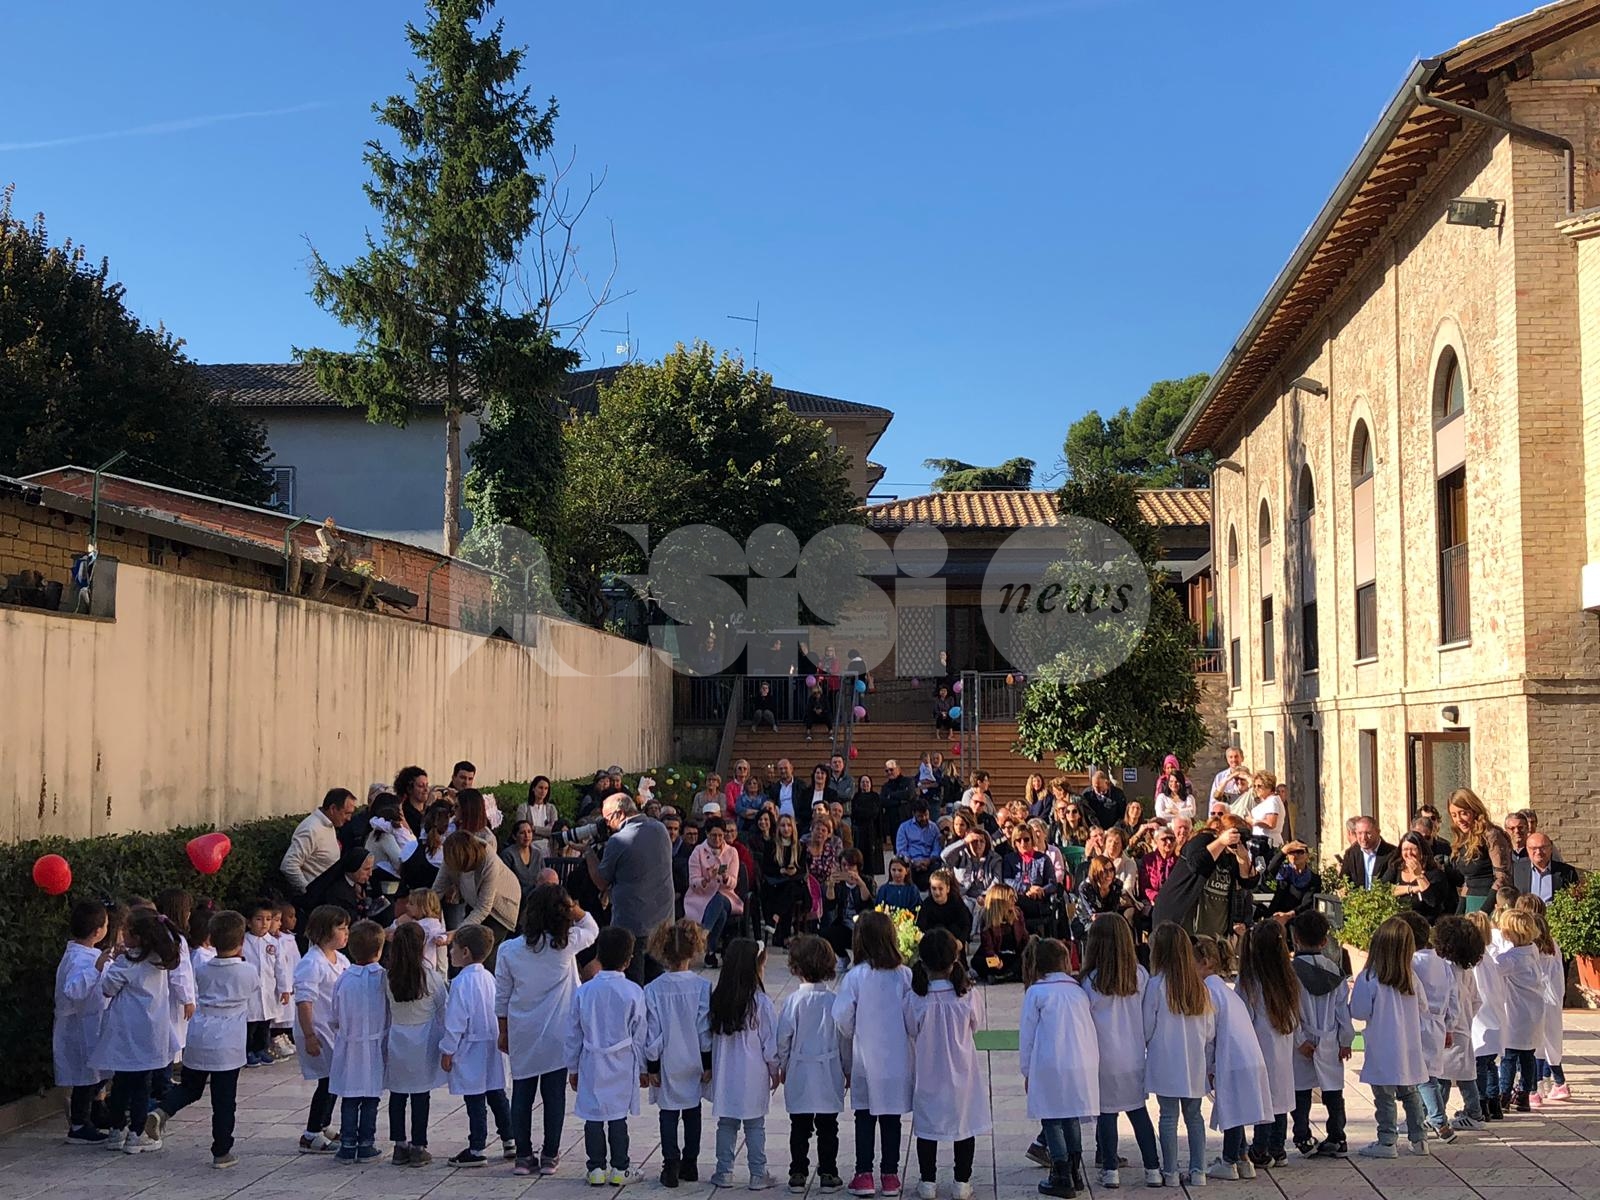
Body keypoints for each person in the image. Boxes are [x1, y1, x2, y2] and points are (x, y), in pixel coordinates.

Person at [496, 883, 599, 1176]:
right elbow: (592, 928)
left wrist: (503, 1031)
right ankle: (550, 1155)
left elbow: (502, 996)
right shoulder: (566, 945)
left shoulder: (509, 950)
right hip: (558, 1032)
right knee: (554, 1095)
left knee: (522, 1093)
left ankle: (523, 1156)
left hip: (522, 1030)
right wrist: (572, 906)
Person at [148, 909, 251, 1168]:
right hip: (227, 1043)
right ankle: (222, 1151)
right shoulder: (247, 971)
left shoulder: (203, 968)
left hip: (200, 1034)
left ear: (212, 940)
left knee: (190, 1088)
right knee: (223, 1100)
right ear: (241, 942)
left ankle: (162, 1110)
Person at [903, 929, 988, 1200]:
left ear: (922, 961)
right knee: (964, 1125)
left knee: (927, 1127)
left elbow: (910, 1028)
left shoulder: (916, 998)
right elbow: (977, 1024)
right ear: (955, 959)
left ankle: (927, 1181)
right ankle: (962, 1181)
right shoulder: (967, 995)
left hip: (929, 1071)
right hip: (962, 1070)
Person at [834, 913, 913, 1198]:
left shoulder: (855, 976)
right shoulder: (904, 975)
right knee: (892, 1118)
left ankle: (863, 1174)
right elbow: (912, 1017)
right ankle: (890, 1176)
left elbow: (842, 1018)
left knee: (864, 1117)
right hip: (897, 1060)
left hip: (866, 1060)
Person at [1080, 916, 1161, 1188]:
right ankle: (1153, 1169)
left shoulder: (1089, 981)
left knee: (1106, 1115)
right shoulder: (1140, 975)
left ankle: (1110, 1169)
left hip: (1103, 1058)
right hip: (1134, 1056)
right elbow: (1147, 1018)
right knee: (1139, 1113)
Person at [94, 908, 182, 1154]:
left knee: (122, 1082)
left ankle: (117, 1130)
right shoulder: (160, 960)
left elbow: (108, 989)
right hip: (151, 1032)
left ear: (137, 936)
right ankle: (137, 1133)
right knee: (142, 1084)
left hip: (125, 1030)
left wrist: (109, 964)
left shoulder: (126, 963)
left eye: (126, 931)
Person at [1142, 923, 1215, 1188]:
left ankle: (1171, 1171)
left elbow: (1146, 1027)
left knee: (1168, 1117)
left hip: (1165, 1061)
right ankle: (1199, 1171)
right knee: (1194, 1116)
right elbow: (1209, 1030)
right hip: (1194, 1061)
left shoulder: (1156, 985)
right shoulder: (1200, 987)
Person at [1193, 935, 1271, 1181]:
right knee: (1237, 1108)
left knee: (1233, 1110)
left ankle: (1228, 1161)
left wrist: (1207, 1066)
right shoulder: (1225, 991)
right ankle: (1243, 1159)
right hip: (1247, 1056)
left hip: (1232, 1059)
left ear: (1205, 962)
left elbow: (1208, 1033)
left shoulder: (1208, 991)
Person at [1349, 916, 1429, 1158]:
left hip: (1382, 1047)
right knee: (1410, 1093)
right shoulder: (1411, 978)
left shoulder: (1369, 977)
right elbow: (1424, 1008)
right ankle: (1420, 1139)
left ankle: (1387, 1141)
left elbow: (1359, 1011)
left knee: (1384, 1097)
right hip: (1408, 1047)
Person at [641, 920, 713, 1188]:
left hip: (667, 1060)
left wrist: (652, 1066)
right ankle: (690, 1163)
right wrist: (708, 1063)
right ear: (694, 950)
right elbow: (704, 1029)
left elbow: (653, 1033)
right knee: (693, 1112)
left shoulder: (653, 989)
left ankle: (670, 1164)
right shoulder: (702, 987)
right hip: (694, 1059)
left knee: (668, 1114)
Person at [708, 938, 780, 1191]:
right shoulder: (761, 1004)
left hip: (725, 1075)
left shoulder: (717, 1000)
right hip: (753, 1076)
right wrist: (775, 1071)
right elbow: (770, 1045)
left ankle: (724, 1171)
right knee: (755, 1125)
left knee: (726, 1124)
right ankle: (758, 1173)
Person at [777, 935, 847, 1194]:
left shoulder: (793, 1001)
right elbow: (843, 1038)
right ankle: (828, 1172)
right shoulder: (833, 1001)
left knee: (800, 1126)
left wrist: (783, 1064)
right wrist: (847, 1068)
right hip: (828, 1069)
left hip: (800, 1069)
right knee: (828, 1126)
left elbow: (783, 1037)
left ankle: (797, 1173)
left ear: (796, 968)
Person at [443, 923, 513, 1166]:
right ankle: (510, 1139)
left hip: (471, 1047)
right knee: (497, 1094)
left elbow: (455, 1021)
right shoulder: (490, 978)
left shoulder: (461, 983)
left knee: (475, 1099)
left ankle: (476, 1148)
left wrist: (447, 1050)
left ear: (465, 952)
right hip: (492, 1045)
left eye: (453, 948)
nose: (450, 952)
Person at [1287, 910, 1353, 1157]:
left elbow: (1289, 1008)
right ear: (1325, 941)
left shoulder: (1290, 972)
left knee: (1300, 1090)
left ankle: (1302, 1136)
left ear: (1295, 938)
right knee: (1333, 1089)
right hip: (1329, 1036)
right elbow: (1342, 1011)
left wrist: (1299, 1039)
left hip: (1302, 1037)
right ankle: (1337, 1136)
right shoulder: (1335, 971)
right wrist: (1345, 1041)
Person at [1236, 922, 1300, 1170]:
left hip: (1258, 1047)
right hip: (1282, 1047)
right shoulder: (1289, 978)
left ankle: (1260, 1149)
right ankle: (1278, 1148)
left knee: (1264, 1100)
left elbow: (1242, 1016)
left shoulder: (1249, 981)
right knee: (1280, 1099)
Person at [382, 921, 446, 1168]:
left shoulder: (388, 977)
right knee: (420, 1095)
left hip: (397, 1036)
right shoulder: (431, 977)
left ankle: (399, 1146)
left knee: (397, 1094)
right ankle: (419, 1146)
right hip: (423, 1040)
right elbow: (443, 1009)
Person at [595, 794, 675, 985]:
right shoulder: (660, 829)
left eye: (607, 819)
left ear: (619, 813)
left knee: (633, 982)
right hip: (663, 919)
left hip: (632, 923)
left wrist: (589, 852)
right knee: (656, 981)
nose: (607, 825)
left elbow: (601, 881)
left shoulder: (619, 840)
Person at [329, 919, 388, 1164]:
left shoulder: (344, 979)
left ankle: (347, 1145)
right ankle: (366, 1144)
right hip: (374, 1045)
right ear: (379, 950)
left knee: (350, 1097)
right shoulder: (383, 978)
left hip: (349, 1045)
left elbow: (334, 1015)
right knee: (371, 1097)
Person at [292, 905, 349, 1154]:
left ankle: (324, 1124)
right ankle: (311, 1132)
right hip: (317, 1030)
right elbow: (304, 1001)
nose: (346, 933)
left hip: (334, 1030)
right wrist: (309, 1035)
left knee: (335, 1079)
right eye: (341, 928)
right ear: (325, 932)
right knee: (326, 1082)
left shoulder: (341, 959)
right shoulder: (311, 963)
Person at [55, 900, 112, 1145]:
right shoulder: (80, 959)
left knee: (97, 1073)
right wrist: (96, 969)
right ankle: (79, 1124)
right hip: (79, 1026)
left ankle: (95, 1114)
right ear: (98, 931)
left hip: (92, 1023)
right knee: (84, 1078)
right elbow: (74, 990)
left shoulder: (87, 954)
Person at [1149, 814, 1256, 939]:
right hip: (1182, 924)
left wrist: (1244, 857)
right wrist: (1221, 842)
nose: (1237, 839)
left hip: (1215, 932)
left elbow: (1249, 882)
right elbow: (1196, 863)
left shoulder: (1232, 855)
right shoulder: (1202, 840)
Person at [1431, 915, 1487, 1130]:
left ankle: (1435, 1115)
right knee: (1465, 1074)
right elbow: (1477, 1000)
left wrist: (1449, 1025)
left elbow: (1449, 1001)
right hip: (1463, 1029)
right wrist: (1467, 1019)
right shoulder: (1466, 971)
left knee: (1441, 1075)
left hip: (1449, 1030)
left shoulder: (1443, 969)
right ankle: (1474, 1113)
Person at [434, 833, 521, 963]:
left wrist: (457, 932)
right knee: (462, 949)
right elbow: (437, 889)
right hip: (475, 902)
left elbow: (483, 908)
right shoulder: (451, 855)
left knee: (481, 957)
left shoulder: (489, 862)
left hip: (500, 909)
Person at [1447, 788, 1514, 914]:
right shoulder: (1464, 838)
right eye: (1454, 815)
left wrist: (1484, 911)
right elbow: (1468, 881)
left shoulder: (1491, 835)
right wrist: (1459, 913)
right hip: (1471, 904)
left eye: (1463, 813)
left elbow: (1502, 877)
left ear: (1474, 810)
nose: (1459, 820)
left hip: (1490, 903)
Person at [282, 788, 358, 898]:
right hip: (317, 898)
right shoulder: (311, 829)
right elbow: (289, 865)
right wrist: (309, 892)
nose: (349, 818)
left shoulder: (329, 824)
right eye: (346, 813)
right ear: (333, 809)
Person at [686, 819, 743, 967]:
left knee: (719, 899)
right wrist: (706, 879)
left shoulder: (732, 852)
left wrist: (725, 878)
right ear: (707, 834)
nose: (717, 839)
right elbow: (693, 882)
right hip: (702, 896)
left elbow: (734, 882)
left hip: (726, 895)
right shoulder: (698, 852)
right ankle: (710, 952)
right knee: (721, 914)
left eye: (720, 835)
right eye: (713, 835)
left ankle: (703, 933)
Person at [242, 900, 286, 1068]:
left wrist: (284, 989)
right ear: (249, 922)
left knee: (265, 1022)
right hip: (250, 990)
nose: (264, 923)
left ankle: (261, 1048)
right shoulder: (243, 942)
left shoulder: (274, 943)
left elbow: (280, 968)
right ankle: (248, 1050)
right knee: (250, 1023)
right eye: (259, 919)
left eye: (268, 919)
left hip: (268, 989)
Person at [1381, 834, 1460, 924]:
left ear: (1421, 850)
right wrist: (1411, 889)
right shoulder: (1395, 868)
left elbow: (1433, 901)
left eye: (1413, 849)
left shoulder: (1435, 873)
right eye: (1405, 849)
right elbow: (1383, 890)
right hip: (1399, 923)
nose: (1409, 853)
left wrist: (1419, 875)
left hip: (1425, 923)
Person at [821, 849, 875, 962]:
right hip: (845, 925)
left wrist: (860, 884)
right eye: (844, 865)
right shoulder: (840, 883)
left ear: (857, 866)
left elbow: (869, 904)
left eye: (850, 865)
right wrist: (830, 886)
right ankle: (843, 957)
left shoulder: (867, 881)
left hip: (862, 926)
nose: (846, 868)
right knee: (826, 932)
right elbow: (830, 905)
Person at [972, 885, 1028, 984]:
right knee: (977, 962)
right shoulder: (987, 917)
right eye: (1011, 897)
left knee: (1023, 961)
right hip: (996, 956)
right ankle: (1008, 975)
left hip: (1014, 955)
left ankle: (1003, 976)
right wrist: (994, 959)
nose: (1014, 900)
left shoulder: (1018, 914)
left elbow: (1024, 939)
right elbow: (987, 945)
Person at [940, 827, 1000, 906]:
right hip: (962, 898)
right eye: (974, 841)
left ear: (986, 844)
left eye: (982, 841)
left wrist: (985, 897)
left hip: (986, 899)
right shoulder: (961, 855)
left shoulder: (995, 859)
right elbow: (944, 856)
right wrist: (964, 841)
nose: (978, 845)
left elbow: (996, 883)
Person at [1514, 833, 1578, 900]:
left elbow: (1574, 899)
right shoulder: (1515, 870)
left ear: (1551, 848)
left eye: (1543, 848)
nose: (1538, 852)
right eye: (1534, 848)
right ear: (1527, 849)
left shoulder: (1568, 872)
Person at [916, 869, 973, 946]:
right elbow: (920, 927)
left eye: (940, 889)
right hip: (934, 944)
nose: (937, 892)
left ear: (948, 888)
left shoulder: (956, 902)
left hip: (955, 942)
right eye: (934, 888)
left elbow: (966, 924)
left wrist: (961, 940)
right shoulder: (926, 904)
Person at [1263, 841, 1319, 917]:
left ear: (1307, 856)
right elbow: (1269, 871)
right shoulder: (1283, 872)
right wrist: (1283, 851)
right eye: (1291, 852)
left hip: (1299, 918)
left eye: (1300, 852)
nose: (1295, 855)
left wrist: (1288, 915)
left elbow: (1307, 903)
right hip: (1276, 916)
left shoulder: (1314, 879)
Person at [1339, 817, 1395, 890]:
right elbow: (1343, 882)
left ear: (1378, 832)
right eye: (1360, 833)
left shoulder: (1392, 853)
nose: (1363, 838)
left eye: (1368, 833)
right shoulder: (1351, 853)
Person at [895, 800, 941, 890]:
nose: (924, 818)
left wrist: (928, 860)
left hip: (929, 862)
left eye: (926, 815)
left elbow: (936, 848)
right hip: (911, 862)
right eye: (920, 816)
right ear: (914, 814)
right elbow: (901, 850)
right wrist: (913, 862)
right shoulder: (904, 827)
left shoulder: (934, 828)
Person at [501, 820, 545, 898]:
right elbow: (505, 881)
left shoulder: (537, 854)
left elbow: (543, 875)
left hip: (536, 897)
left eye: (529, 832)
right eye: (522, 833)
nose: (527, 836)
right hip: (515, 896)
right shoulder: (508, 855)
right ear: (514, 836)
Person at [852, 774, 883, 876]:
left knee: (871, 860)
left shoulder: (875, 796)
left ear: (871, 784)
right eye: (863, 782)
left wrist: (864, 812)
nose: (865, 784)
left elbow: (875, 812)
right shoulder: (856, 797)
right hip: (860, 831)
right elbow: (855, 812)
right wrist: (867, 812)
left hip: (873, 831)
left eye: (867, 782)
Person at [880, 761, 916, 849]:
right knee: (897, 848)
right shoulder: (885, 786)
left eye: (891, 770)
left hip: (907, 819)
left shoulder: (908, 781)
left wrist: (891, 795)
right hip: (893, 822)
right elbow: (883, 801)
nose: (889, 772)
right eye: (887, 771)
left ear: (898, 769)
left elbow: (909, 795)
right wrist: (900, 801)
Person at [1246, 771, 1285, 849]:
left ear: (1269, 786)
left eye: (1259, 786)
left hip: (1269, 844)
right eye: (1254, 786)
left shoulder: (1272, 801)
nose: (1256, 788)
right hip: (1261, 842)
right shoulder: (1267, 801)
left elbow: (1271, 824)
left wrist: (1253, 821)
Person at [1209, 747, 1252, 816]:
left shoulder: (1251, 792)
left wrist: (1247, 777)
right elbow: (1215, 799)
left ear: (1242, 758)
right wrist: (1228, 779)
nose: (1234, 760)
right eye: (1231, 757)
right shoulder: (1220, 777)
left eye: (1236, 756)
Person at [1152, 757, 1194, 822]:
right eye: (1171, 781)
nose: (1174, 784)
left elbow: (1191, 812)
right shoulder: (1162, 797)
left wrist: (1171, 811)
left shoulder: (1188, 797)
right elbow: (1160, 815)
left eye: (1177, 782)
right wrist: (1182, 814)